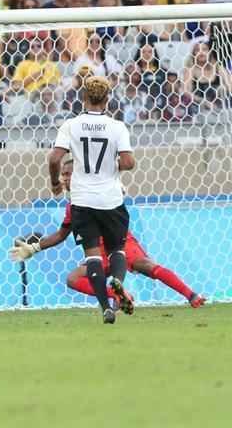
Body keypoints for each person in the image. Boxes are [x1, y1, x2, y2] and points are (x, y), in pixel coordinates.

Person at [13, 157, 205, 307]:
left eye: (68, 173)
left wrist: (116, 186)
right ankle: (117, 294)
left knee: (147, 267)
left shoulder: (98, 190)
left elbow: (115, 185)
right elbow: (61, 235)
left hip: (121, 244)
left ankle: (191, 295)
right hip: (97, 252)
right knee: (73, 279)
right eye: (62, 174)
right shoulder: (72, 206)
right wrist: (34, 247)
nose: (64, 178)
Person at [44, 75, 136, 324]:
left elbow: (54, 159)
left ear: (83, 98)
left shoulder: (71, 125)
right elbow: (128, 162)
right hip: (111, 200)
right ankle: (117, 280)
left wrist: (54, 183)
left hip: (82, 201)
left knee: (92, 256)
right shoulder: (117, 127)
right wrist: (111, 164)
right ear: (107, 100)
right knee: (117, 249)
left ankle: (106, 306)